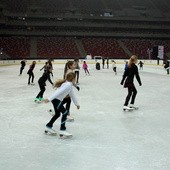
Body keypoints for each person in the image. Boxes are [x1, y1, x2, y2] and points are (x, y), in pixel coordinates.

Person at [44, 72, 80, 136]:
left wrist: (77, 104)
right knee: (65, 112)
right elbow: (58, 92)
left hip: (56, 100)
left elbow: (72, 95)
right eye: (75, 78)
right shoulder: (68, 85)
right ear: (73, 78)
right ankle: (62, 130)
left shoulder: (69, 85)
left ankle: (48, 126)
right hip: (56, 100)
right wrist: (49, 99)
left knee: (57, 114)